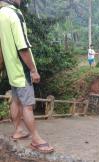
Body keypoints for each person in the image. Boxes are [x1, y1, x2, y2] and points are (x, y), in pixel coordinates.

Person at [0, 0, 54, 153]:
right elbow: (22, 47)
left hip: (11, 69)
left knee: (16, 100)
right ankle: (36, 140)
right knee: (28, 106)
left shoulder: (1, 13)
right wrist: (33, 70)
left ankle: (18, 130)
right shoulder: (14, 14)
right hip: (21, 69)